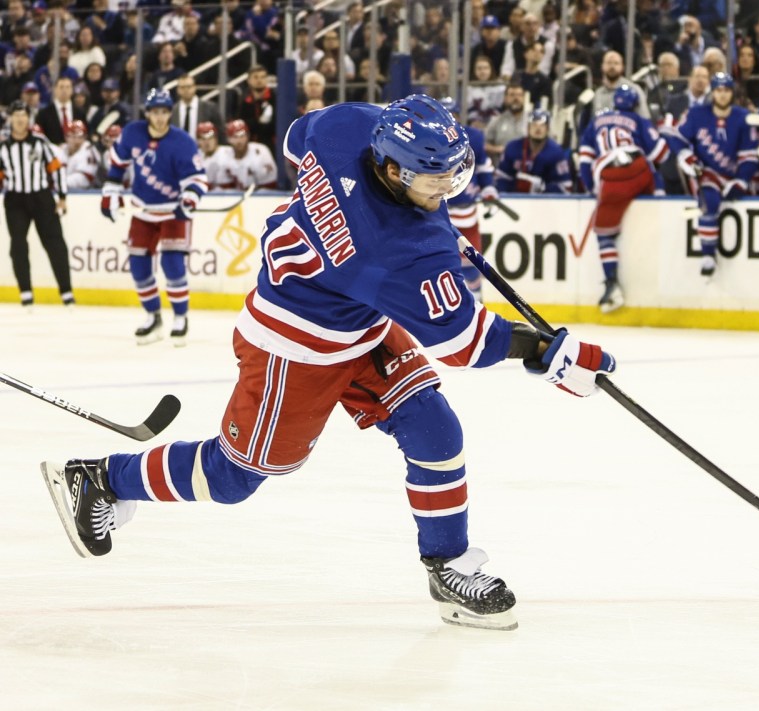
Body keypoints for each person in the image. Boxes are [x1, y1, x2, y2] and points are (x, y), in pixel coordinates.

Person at [41, 94, 617, 634]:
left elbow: (298, 138)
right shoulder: (402, 253)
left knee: (435, 428)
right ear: (393, 171)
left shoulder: (350, 127)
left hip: (355, 318)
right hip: (294, 347)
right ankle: (101, 478)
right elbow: (467, 343)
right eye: (436, 179)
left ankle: (448, 566)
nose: (448, 187)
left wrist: (418, 214)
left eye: (453, 173)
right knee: (233, 476)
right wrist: (553, 354)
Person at [101, 88, 207, 346]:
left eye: (164, 112)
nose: (159, 117)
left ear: (170, 113)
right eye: (155, 112)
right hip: (143, 210)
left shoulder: (182, 142)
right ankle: (153, 316)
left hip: (173, 212)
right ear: (147, 113)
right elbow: (117, 165)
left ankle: (181, 318)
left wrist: (189, 200)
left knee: (172, 265)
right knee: (138, 266)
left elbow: (197, 179)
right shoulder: (132, 133)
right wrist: (110, 194)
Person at [578, 84, 669, 313]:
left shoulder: (597, 120)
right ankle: (659, 196)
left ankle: (612, 284)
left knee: (604, 234)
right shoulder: (639, 120)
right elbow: (661, 154)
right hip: (639, 168)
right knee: (653, 174)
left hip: (611, 176)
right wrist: (663, 130)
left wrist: (592, 187)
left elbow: (585, 159)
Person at [663, 72, 758, 278]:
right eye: (718, 90)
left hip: (732, 176)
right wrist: (684, 153)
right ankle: (708, 254)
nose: (722, 95)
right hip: (707, 173)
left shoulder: (743, 118)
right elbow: (674, 136)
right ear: (712, 92)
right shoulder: (697, 114)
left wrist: (741, 180)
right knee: (709, 199)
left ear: (732, 93)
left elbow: (750, 157)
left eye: (726, 91)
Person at [0, 100, 73, 308]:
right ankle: (25, 292)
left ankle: (66, 291)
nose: (20, 119)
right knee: (18, 245)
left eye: (24, 115)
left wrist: (62, 197)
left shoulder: (40, 142)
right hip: (15, 199)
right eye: (16, 116)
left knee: (55, 243)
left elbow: (56, 168)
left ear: (28, 119)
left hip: (41, 197)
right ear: (11, 119)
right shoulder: (3, 148)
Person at [441, 97, 497, 300]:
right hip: (437, 212)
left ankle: (478, 300)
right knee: (441, 264)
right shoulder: (426, 141)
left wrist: (489, 187)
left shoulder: (473, 137)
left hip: (466, 211)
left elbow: (483, 165)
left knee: (470, 262)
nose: (448, 122)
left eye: (452, 117)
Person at [495, 108, 572, 194]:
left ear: (547, 129)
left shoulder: (557, 153)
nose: (538, 129)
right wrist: (515, 187)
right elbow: (501, 179)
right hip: (516, 200)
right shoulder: (512, 148)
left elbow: (565, 187)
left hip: (545, 203)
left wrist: (542, 188)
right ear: (528, 128)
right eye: (534, 125)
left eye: (542, 125)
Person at [221, 118, 278, 189]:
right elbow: (223, 190)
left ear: (248, 136)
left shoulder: (260, 152)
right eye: (235, 137)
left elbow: (271, 186)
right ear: (228, 139)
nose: (239, 140)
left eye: (242, 136)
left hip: (260, 197)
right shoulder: (224, 155)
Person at [59, 120, 100, 189]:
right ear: (66, 137)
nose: (76, 140)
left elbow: (83, 180)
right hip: (63, 190)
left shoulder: (89, 150)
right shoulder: (62, 149)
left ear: (85, 137)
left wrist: (59, 183)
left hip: (88, 194)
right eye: (72, 136)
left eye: (80, 137)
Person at [196, 121, 234, 190]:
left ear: (216, 139)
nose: (207, 142)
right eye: (203, 139)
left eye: (210, 138)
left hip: (229, 195)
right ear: (198, 141)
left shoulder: (229, 153)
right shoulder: (196, 155)